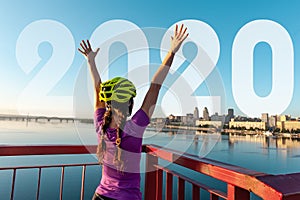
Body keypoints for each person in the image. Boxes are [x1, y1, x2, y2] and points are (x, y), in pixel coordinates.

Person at [78, 24, 188, 200]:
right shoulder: (135, 127)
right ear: (129, 104)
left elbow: (97, 91)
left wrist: (91, 60)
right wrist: (172, 52)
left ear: (108, 102)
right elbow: (155, 88)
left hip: (100, 195)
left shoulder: (101, 126)